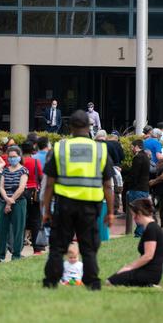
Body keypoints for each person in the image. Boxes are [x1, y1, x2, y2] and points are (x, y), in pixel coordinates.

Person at [42, 110, 115, 291]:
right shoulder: (100, 149)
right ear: (89, 126)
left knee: (58, 246)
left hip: (64, 204)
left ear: (70, 127)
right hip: (91, 206)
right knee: (89, 247)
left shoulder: (60, 148)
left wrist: (46, 210)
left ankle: (51, 281)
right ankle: (92, 282)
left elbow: (49, 184)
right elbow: (108, 185)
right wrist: (112, 212)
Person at [107, 198, 163, 287]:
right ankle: (147, 284)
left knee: (110, 282)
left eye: (133, 214)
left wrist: (129, 267)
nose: (133, 217)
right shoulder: (151, 227)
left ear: (139, 213)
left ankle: (149, 284)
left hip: (150, 273)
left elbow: (148, 256)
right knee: (113, 279)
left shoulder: (151, 229)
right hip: (148, 271)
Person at [0, 146, 28, 262]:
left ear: (19, 157)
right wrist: (7, 200)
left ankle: (16, 254)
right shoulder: (5, 170)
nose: (12, 159)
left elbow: (21, 188)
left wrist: (11, 201)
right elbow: (1, 187)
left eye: (14, 156)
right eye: (10, 157)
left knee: (18, 229)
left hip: (18, 202)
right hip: (4, 201)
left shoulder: (23, 170)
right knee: (1, 229)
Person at [20, 142, 44, 254]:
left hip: (20, 192)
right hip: (34, 194)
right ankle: (37, 248)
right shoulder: (35, 161)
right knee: (36, 221)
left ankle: (17, 248)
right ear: (33, 150)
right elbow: (41, 176)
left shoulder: (20, 162)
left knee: (21, 221)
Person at [128, 139, 151, 237]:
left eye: (132, 147)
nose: (131, 149)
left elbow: (134, 175)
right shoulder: (146, 156)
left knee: (137, 212)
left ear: (137, 146)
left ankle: (139, 233)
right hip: (144, 188)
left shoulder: (138, 158)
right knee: (141, 211)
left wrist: (129, 185)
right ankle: (141, 232)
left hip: (137, 189)